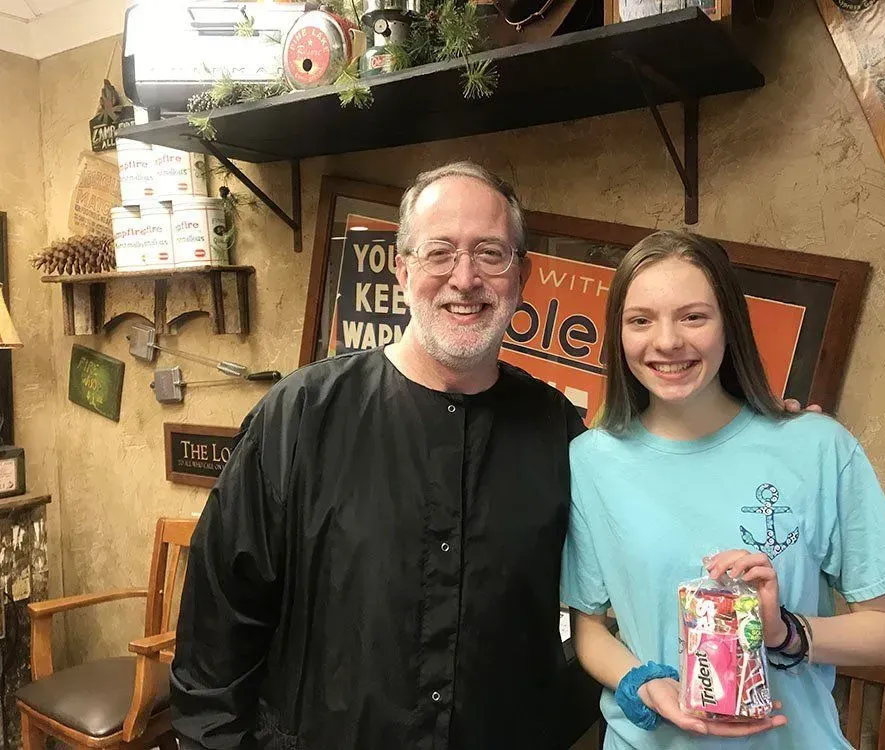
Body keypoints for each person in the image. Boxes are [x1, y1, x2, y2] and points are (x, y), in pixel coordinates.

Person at [170, 161, 587, 749]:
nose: (464, 278)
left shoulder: (560, 432)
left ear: (522, 275)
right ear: (401, 269)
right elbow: (219, 630)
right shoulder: (301, 415)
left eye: (490, 254)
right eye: (439, 251)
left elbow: (600, 609)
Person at [560, 230, 885, 749]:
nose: (666, 341)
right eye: (640, 320)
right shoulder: (591, 461)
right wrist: (642, 683)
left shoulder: (818, 448)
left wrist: (783, 632)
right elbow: (588, 626)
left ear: (729, 324)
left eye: (693, 316)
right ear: (618, 335)